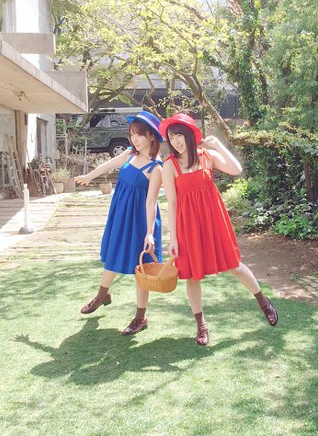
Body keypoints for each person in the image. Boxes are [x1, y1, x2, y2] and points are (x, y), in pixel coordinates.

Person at [150, 113, 278, 346]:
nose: (176, 141)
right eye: (171, 137)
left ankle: (264, 303)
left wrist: (219, 145)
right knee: (192, 276)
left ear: (190, 134)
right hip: (187, 225)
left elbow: (236, 169)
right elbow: (172, 203)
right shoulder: (169, 165)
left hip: (214, 220)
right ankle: (201, 325)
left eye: (179, 135)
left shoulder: (207, 156)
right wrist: (173, 238)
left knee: (235, 265)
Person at [75, 110, 163, 336]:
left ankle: (140, 318)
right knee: (114, 253)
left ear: (151, 136)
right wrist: (88, 177)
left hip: (141, 221)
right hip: (121, 214)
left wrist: (149, 232)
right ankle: (102, 295)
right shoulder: (130, 154)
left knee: (141, 268)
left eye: (139, 134)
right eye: (132, 134)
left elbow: (151, 202)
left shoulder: (156, 167)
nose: (134, 139)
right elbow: (108, 165)